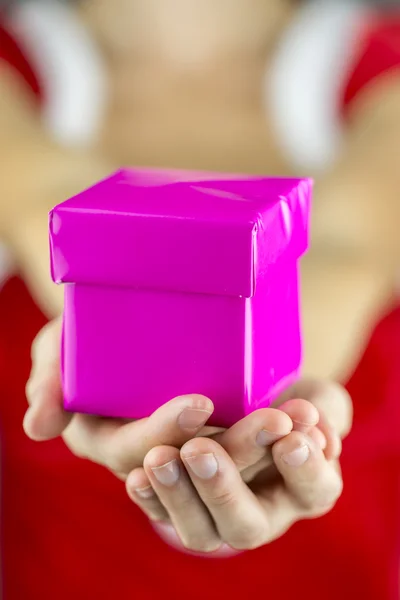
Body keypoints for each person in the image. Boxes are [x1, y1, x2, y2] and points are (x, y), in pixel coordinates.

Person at [0, 0, 399, 597]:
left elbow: (340, 255)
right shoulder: (15, 76)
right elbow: (52, 208)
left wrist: (264, 412)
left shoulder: (381, 76)